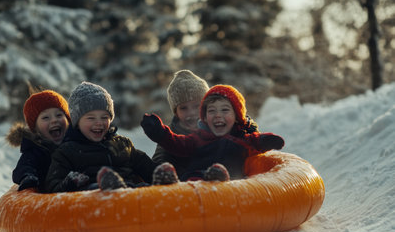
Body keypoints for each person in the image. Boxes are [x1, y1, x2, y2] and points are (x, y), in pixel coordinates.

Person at [141, 84, 285, 183]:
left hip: (227, 185)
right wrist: (159, 133)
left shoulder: (241, 139)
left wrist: (267, 140)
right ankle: (168, 182)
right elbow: (177, 143)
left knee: (218, 174)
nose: (217, 115)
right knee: (189, 178)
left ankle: (214, 177)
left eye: (224, 110)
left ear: (237, 116)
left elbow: (255, 141)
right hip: (194, 181)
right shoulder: (198, 138)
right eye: (211, 111)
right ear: (204, 117)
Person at [44, 81, 158, 192]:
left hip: (129, 194)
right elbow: (52, 185)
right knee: (95, 188)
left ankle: (164, 181)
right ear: (77, 122)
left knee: (143, 186)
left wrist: (157, 174)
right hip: (93, 199)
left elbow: (145, 165)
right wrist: (70, 183)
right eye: (91, 118)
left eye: (104, 117)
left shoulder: (122, 145)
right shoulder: (67, 151)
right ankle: (113, 187)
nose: (99, 123)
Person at [153, 70, 260, 178]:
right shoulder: (170, 138)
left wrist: (247, 127)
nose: (191, 113)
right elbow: (160, 161)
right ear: (176, 113)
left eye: (196, 106)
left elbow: (251, 143)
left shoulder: (227, 126)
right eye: (183, 108)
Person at [6, 89, 71, 192]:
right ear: (35, 129)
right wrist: (27, 177)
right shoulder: (35, 151)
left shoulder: (77, 142)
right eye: (46, 117)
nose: (54, 120)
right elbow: (23, 168)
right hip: (49, 199)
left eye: (59, 115)